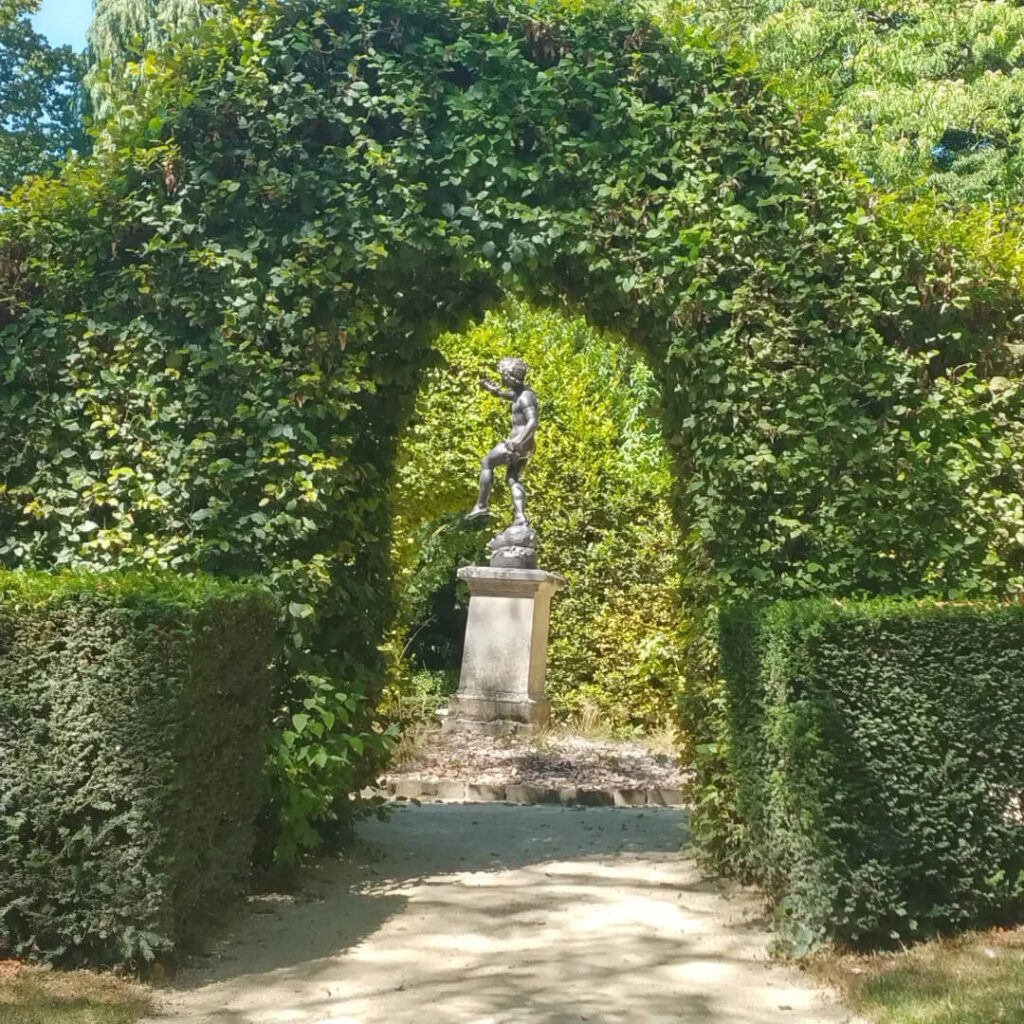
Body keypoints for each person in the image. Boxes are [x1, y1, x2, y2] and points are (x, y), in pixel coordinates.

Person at [466, 356, 538, 527]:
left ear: (511, 376)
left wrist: (518, 441)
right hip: (526, 446)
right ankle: (520, 516)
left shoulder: (526, 397)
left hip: (519, 444)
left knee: (487, 461)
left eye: (503, 375)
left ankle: (481, 505)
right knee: (512, 479)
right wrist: (489, 387)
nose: (501, 378)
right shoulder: (520, 392)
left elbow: (533, 422)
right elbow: (502, 394)